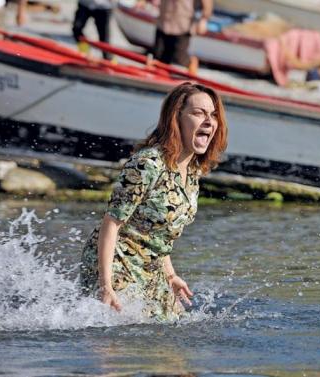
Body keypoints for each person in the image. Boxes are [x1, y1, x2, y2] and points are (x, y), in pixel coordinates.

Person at [80, 82, 228, 321]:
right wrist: (105, 285)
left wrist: (170, 276)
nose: (209, 121)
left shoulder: (192, 172)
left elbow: (158, 233)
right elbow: (111, 223)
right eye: (199, 113)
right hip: (115, 261)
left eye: (213, 115)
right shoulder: (148, 163)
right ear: (176, 117)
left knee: (172, 332)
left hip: (151, 265)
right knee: (124, 339)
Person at [154, 0, 212, 73]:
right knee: (159, 54)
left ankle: (191, 63)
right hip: (164, 21)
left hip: (182, 24)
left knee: (179, 59)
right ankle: (160, 76)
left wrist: (204, 20)